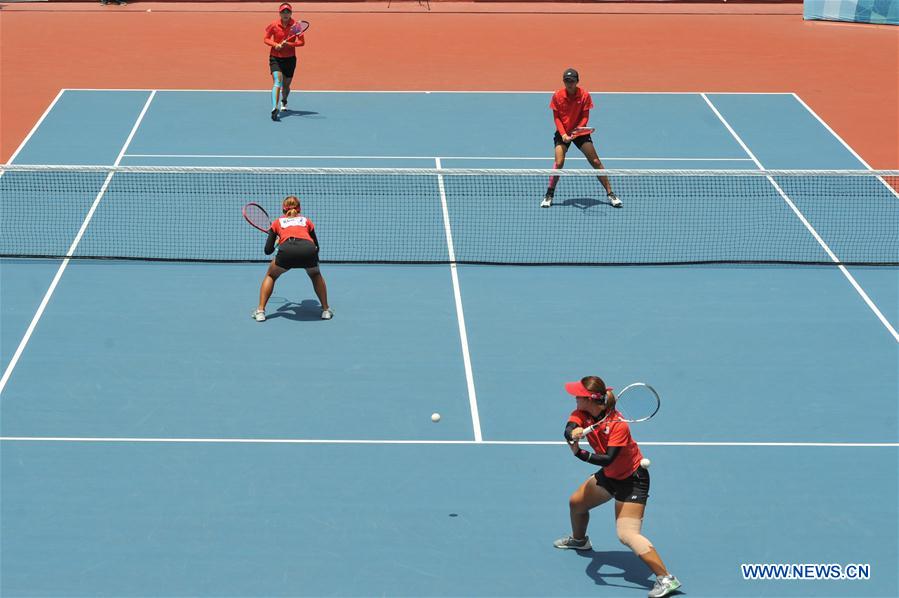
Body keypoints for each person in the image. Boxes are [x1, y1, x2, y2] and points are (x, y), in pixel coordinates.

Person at [554, 376, 680, 598]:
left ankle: (666, 578)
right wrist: (572, 433)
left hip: (632, 481)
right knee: (576, 503)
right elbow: (570, 427)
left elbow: (607, 459)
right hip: (610, 477)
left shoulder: (618, 426)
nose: (575, 398)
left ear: (590, 399)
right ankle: (580, 540)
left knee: (627, 534)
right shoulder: (582, 413)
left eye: (578, 396)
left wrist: (579, 453)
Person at [541, 68, 621, 209]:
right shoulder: (557, 96)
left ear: (577, 81)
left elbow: (585, 116)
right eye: (566, 81)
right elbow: (557, 117)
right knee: (558, 163)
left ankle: (610, 194)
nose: (569, 84)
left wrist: (577, 132)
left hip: (580, 132)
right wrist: (564, 134)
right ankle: (549, 194)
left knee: (595, 161)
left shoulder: (584, 95)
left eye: (572, 81)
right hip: (563, 132)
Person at [253, 196, 332, 322]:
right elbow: (316, 246)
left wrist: (278, 243)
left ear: (283, 210)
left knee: (271, 275)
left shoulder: (277, 223)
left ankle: (260, 311)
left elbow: (267, 251)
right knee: (315, 274)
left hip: (287, 252)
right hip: (308, 250)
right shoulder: (306, 221)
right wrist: (311, 262)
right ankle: (326, 310)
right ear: (299, 209)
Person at [264, 3, 306, 121]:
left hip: (290, 59)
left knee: (286, 85)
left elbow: (302, 42)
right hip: (275, 58)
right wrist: (275, 44)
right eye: (283, 12)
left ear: (291, 13)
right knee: (277, 81)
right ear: (280, 13)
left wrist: (289, 44)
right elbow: (266, 38)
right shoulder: (273, 25)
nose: (285, 14)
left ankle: (284, 100)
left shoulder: (296, 26)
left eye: (288, 12)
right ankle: (274, 108)